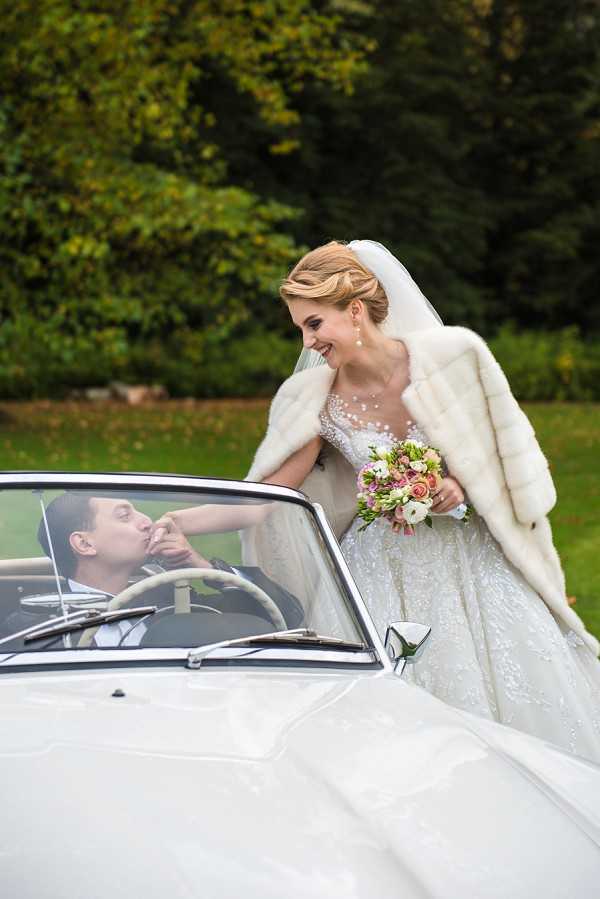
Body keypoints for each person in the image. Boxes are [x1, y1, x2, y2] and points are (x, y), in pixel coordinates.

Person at [240, 238, 600, 761]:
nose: (307, 340)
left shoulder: (451, 358)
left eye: (313, 323)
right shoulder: (318, 398)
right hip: (379, 562)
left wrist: (457, 487)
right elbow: (269, 493)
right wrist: (181, 516)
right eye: (300, 327)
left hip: (470, 556)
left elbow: (498, 457)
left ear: (356, 309)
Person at [17, 492, 304, 647]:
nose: (146, 522)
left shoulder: (174, 596)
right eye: (124, 515)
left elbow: (287, 618)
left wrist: (199, 565)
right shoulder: (30, 625)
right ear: (84, 543)